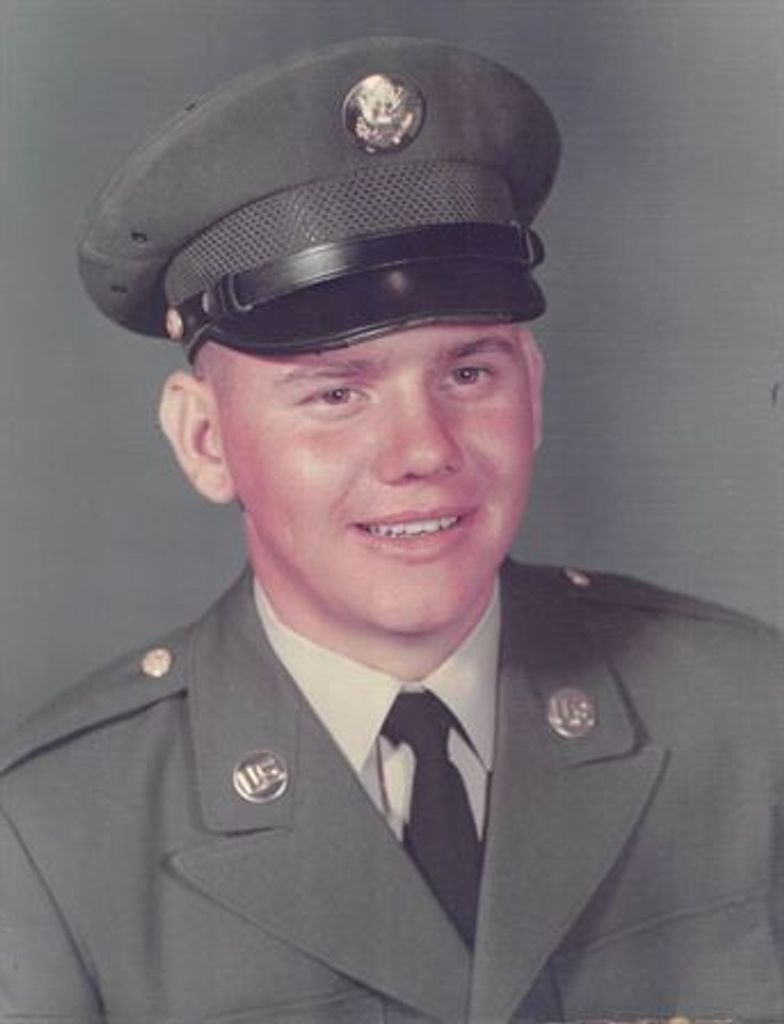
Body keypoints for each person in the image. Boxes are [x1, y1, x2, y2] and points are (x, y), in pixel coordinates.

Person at [0, 36, 782, 1024]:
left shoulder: (749, 720)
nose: (422, 451)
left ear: (533, 394)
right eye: (335, 392)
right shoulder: (49, 841)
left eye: (469, 373)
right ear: (205, 440)